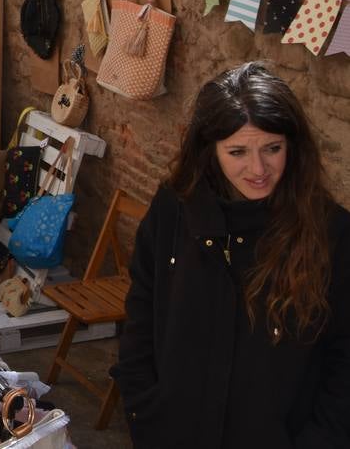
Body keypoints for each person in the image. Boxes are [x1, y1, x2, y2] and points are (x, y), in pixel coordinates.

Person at [114, 62, 350, 447]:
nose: (258, 169)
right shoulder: (174, 210)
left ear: (293, 145)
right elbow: (142, 312)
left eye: (273, 148)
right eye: (238, 151)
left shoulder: (332, 234)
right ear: (210, 151)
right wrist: (144, 411)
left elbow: (345, 359)